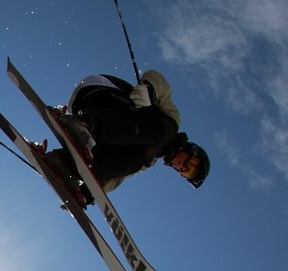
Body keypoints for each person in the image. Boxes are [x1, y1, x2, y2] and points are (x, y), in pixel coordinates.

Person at [40, 70, 210, 202]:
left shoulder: (148, 159)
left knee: (133, 162)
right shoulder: (171, 122)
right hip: (101, 91)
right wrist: (149, 89)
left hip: (81, 109)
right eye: (192, 165)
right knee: (160, 135)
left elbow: (117, 175)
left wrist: (90, 192)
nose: (183, 168)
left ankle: (65, 164)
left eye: (186, 173)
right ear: (191, 151)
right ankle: (88, 126)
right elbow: (160, 82)